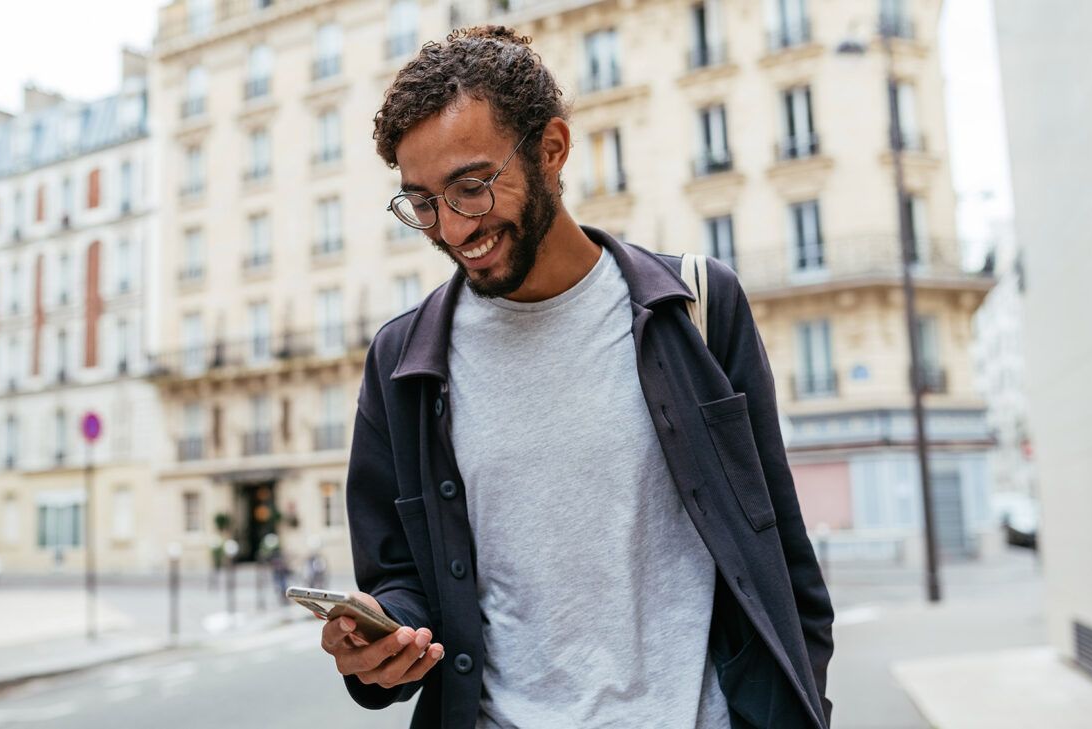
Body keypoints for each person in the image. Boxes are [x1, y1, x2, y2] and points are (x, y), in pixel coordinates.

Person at [319, 26, 834, 729]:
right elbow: (400, 583)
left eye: (471, 187)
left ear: (552, 150)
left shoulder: (698, 308)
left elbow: (782, 557)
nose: (451, 228)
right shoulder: (402, 362)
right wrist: (378, 641)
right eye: (423, 202)